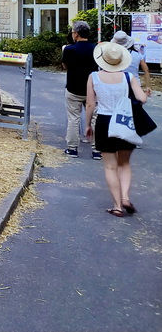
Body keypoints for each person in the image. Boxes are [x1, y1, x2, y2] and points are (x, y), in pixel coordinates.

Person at [85, 41, 148, 217]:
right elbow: (142, 98)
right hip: (125, 122)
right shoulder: (129, 77)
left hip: (104, 122)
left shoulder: (94, 77)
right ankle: (126, 197)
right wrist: (145, 94)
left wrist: (88, 124)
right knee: (125, 163)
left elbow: (90, 103)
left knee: (110, 167)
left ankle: (117, 205)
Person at [61, 21, 100, 159]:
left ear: (76, 34)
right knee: (95, 119)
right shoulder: (96, 49)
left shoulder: (69, 49)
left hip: (73, 88)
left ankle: (72, 148)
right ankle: (96, 150)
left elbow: (65, 66)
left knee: (73, 119)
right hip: (92, 90)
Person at [111, 31, 153, 97]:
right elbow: (146, 70)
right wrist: (148, 86)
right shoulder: (137, 54)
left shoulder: (113, 55)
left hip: (117, 84)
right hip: (135, 84)